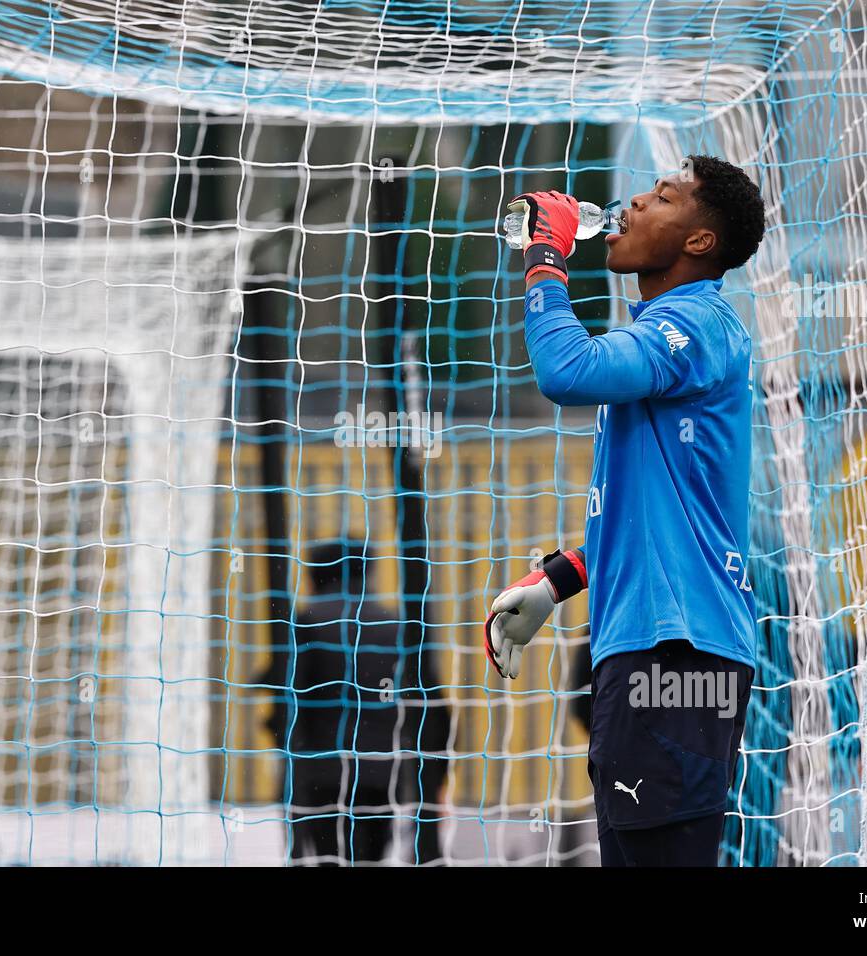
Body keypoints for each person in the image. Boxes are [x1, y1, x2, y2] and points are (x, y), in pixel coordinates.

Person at [486, 156, 764, 866]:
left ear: (699, 243)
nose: (632, 204)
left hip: (673, 657)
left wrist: (546, 257)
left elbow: (567, 372)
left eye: (662, 198)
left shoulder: (695, 323)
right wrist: (557, 582)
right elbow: (659, 521)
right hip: (660, 655)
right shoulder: (671, 339)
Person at [260, 539, 442, 865]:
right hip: (381, 769)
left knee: (329, 855)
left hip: (320, 770)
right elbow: (427, 698)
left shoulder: (308, 621)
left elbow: (287, 690)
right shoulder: (395, 624)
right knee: (370, 857)